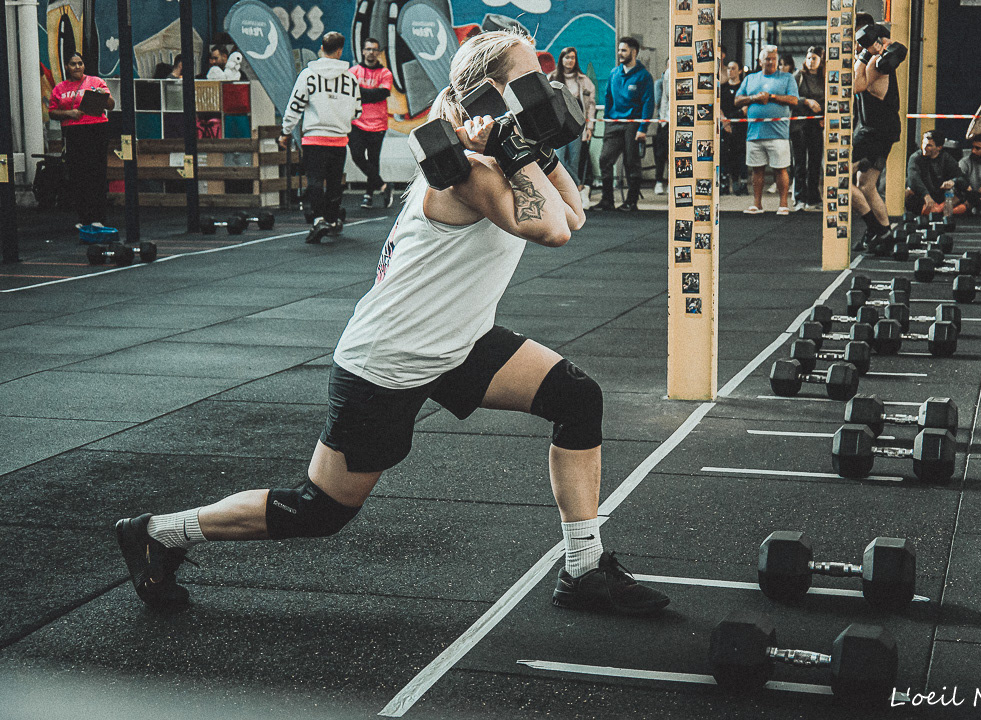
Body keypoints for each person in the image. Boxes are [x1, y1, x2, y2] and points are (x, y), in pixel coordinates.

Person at [114, 29, 670, 620]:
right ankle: (161, 532)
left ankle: (584, 568)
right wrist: (511, 151)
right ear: (490, 94)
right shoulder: (462, 169)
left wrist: (528, 145)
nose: (546, 88)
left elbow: (576, 213)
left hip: (458, 342)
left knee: (576, 397)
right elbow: (553, 229)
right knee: (319, 510)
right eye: (530, 79)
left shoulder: (498, 150)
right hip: (391, 358)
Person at [279, 32, 365, 244]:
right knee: (335, 182)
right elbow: (358, 111)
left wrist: (285, 132)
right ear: (339, 51)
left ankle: (319, 220)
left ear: (321, 48)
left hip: (314, 138)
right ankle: (332, 219)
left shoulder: (308, 75)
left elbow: (295, 106)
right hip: (338, 138)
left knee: (315, 181)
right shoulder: (351, 78)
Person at [851, 21, 906, 249]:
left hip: (874, 132)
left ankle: (875, 228)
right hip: (881, 130)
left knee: (838, 180)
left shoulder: (874, 61)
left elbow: (855, 86)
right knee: (866, 185)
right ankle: (885, 235)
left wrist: (865, 53)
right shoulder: (876, 59)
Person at [47, 51, 114, 230]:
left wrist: (103, 95)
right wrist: (69, 113)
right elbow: (51, 112)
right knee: (78, 174)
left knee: (96, 172)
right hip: (74, 131)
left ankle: (98, 217)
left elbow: (111, 105)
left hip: (96, 129)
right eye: (73, 64)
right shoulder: (60, 88)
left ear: (84, 65)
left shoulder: (96, 81)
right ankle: (84, 217)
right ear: (67, 67)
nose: (77, 67)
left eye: (80, 63)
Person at [734, 45, 799, 215]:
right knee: (757, 169)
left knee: (780, 168)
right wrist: (753, 98)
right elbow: (737, 100)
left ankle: (783, 204)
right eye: (767, 59)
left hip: (778, 133)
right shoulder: (750, 79)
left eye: (774, 59)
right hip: (754, 132)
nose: (771, 62)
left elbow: (794, 100)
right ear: (760, 61)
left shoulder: (787, 78)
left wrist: (771, 97)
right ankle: (757, 204)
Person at [595, 37, 654, 212]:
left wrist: (642, 128)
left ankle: (631, 201)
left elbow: (648, 103)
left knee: (631, 162)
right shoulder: (614, 73)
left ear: (634, 52)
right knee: (605, 159)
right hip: (614, 123)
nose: (620, 53)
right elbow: (608, 97)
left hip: (633, 125)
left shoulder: (644, 76)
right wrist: (607, 119)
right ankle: (607, 200)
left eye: (624, 50)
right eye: (619, 50)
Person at [348, 37, 395, 209]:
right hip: (357, 122)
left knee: (374, 160)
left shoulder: (385, 73)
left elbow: (381, 95)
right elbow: (353, 94)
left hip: (378, 124)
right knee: (357, 156)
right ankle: (383, 185)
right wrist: (370, 94)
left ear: (378, 53)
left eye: (374, 50)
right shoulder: (353, 72)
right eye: (368, 49)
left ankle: (368, 194)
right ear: (363, 51)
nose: (371, 53)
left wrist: (361, 93)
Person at [550, 46, 596, 208]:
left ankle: (574, 199)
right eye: (566, 57)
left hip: (577, 128)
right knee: (559, 160)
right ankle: (581, 187)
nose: (569, 60)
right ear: (561, 59)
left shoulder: (584, 81)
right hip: (557, 128)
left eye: (572, 57)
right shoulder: (552, 79)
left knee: (574, 162)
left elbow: (591, 106)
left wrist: (589, 127)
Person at [791, 46, 825, 210]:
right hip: (799, 124)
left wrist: (824, 115)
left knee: (815, 161)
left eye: (815, 58)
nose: (811, 61)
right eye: (809, 58)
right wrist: (806, 101)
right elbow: (791, 97)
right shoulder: (798, 76)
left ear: (821, 61)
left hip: (816, 124)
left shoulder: (823, 78)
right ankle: (799, 197)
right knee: (800, 162)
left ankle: (813, 197)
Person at [904, 129, 966, 215]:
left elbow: (963, 179)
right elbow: (913, 179)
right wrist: (926, 195)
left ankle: (939, 210)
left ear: (939, 147)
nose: (924, 148)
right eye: (923, 144)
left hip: (941, 195)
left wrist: (953, 181)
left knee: (966, 192)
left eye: (929, 145)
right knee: (908, 192)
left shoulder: (946, 158)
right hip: (923, 195)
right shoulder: (915, 158)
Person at [719, 60, 746, 194]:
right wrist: (725, 121)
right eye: (728, 68)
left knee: (739, 154)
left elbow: (746, 108)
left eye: (734, 68)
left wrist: (732, 120)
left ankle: (738, 182)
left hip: (740, 126)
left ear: (740, 71)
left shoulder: (743, 88)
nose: (730, 71)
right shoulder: (722, 88)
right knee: (724, 154)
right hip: (725, 125)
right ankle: (724, 183)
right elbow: (718, 107)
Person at [653, 59, 669, 196]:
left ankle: (671, 182)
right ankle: (659, 182)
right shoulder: (660, 83)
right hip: (663, 121)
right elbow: (659, 101)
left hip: (676, 122)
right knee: (660, 154)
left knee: (673, 154)